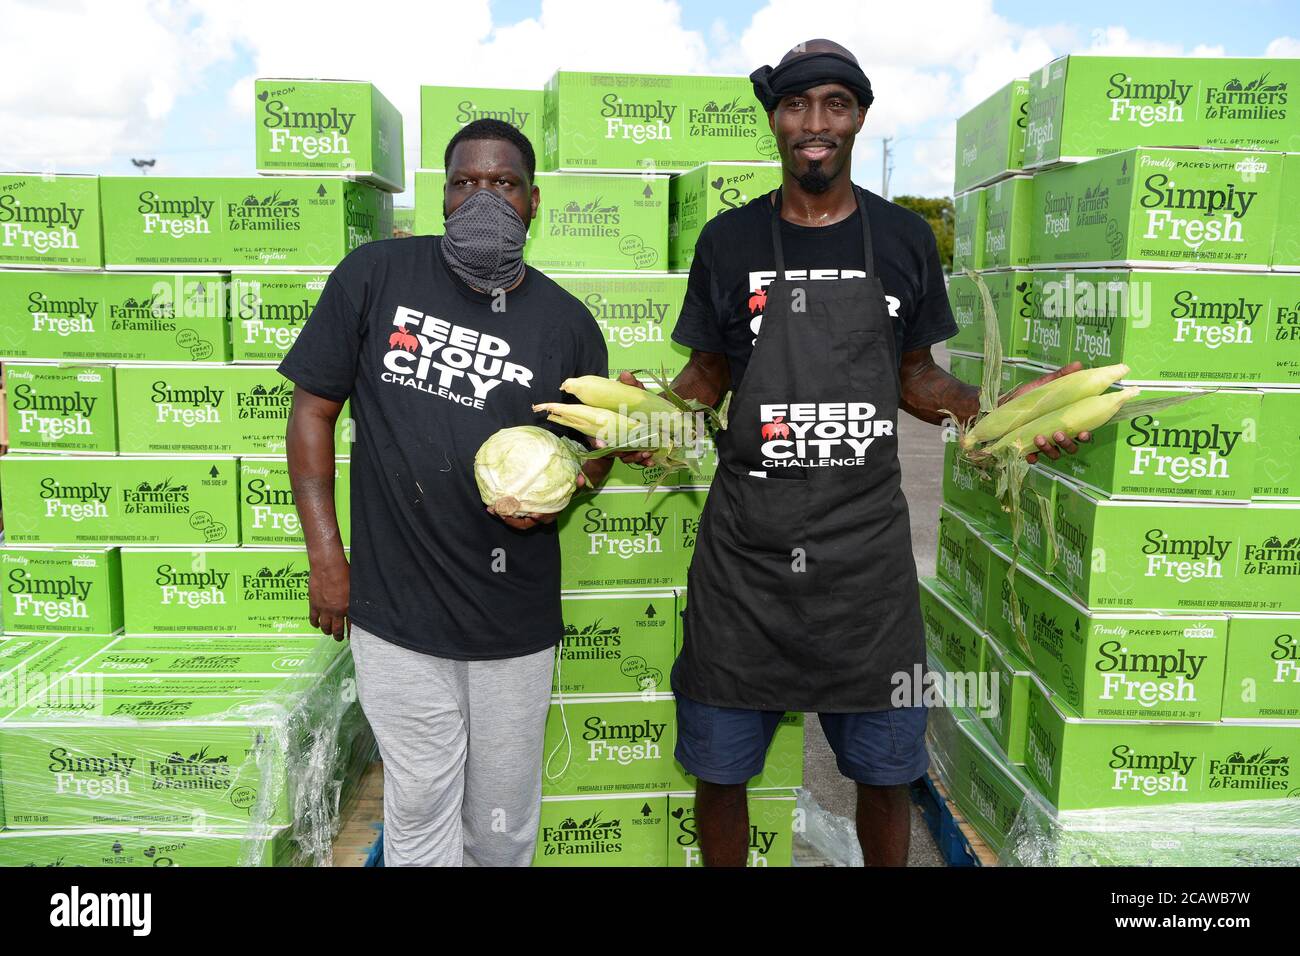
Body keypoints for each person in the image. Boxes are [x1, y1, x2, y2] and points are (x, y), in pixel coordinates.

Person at [620, 39, 1091, 867]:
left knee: (886, 772)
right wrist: (643, 419)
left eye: (835, 105)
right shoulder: (728, 243)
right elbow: (705, 377)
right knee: (720, 773)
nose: (815, 123)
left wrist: (996, 415)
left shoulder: (903, 238)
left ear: (860, 117)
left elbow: (918, 378)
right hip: (747, 560)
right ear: (774, 121)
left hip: (865, 564)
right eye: (797, 105)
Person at [279, 118, 610, 867]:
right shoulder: (376, 276)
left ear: (533, 203)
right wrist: (327, 558)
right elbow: (312, 411)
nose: (482, 197)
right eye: (465, 183)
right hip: (397, 612)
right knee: (421, 805)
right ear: (443, 198)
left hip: (511, 619)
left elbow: (588, 464)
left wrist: (556, 492)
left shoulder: (568, 324)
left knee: (499, 826)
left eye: (503, 184)